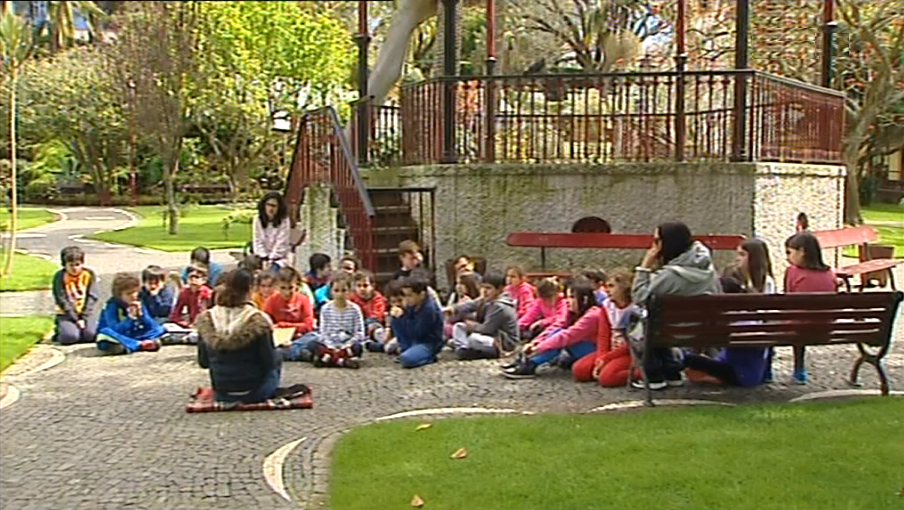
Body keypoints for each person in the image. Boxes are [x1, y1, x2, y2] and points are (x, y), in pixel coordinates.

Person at [632, 221, 721, 390]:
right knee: (660, 322)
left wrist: (645, 266)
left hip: (672, 332)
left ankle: (654, 376)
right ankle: (672, 372)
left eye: (657, 240)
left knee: (645, 321)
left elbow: (639, 296)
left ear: (667, 243)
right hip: (705, 331)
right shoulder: (709, 270)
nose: (654, 246)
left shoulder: (670, 276)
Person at [196, 269, 283, 403]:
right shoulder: (258, 320)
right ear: (251, 289)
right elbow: (269, 362)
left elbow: (203, 362)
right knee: (277, 355)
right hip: (255, 392)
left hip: (222, 393)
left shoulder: (207, 319)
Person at [680, 276, 770, 387]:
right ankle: (709, 377)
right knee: (696, 360)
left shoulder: (732, 320)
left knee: (688, 358)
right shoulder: (750, 315)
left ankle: (709, 378)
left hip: (740, 374)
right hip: (751, 374)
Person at [503, 280, 600, 379]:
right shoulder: (573, 313)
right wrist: (536, 342)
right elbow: (557, 326)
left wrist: (539, 348)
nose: (567, 301)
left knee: (562, 337)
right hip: (581, 347)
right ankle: (528, 360)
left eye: (572, 297)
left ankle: (532, 363)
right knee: (557, 332)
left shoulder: (592, 315)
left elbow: (568, 336)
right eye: (567, 297)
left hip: (595, 350)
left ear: (584, 299)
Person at [570, 268, 639, 386]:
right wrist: (601, 358)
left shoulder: (635, 309)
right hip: (611, 350)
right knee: (580, 369)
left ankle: (641, 374)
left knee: (607, 378)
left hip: (630, 353)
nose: (607, 290)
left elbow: (634, 342)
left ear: (624, 287)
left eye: (611, 286)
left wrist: (607, 359)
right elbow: (603, 336)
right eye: (606, 286)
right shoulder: (607, 307)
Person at [784, 231, 837, 384]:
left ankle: (769, 371)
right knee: (802, 319)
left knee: (791, 321)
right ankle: (799, 371)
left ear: (802, 251)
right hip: (825, 327)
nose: (787, 258)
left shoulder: (792, 272)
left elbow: (787, 301)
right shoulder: (830, 273)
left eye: (789, 252)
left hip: (797, 328)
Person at [283, 273, 365, 368]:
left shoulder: (355, 309)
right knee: (313, 344)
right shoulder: (326, 308)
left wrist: (346, 345)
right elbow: (323, 332)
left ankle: (330, 359)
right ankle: (340, 360)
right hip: (330, 344)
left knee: (357, 347)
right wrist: (331, 346)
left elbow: (359, 332)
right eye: (336, 290)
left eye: (344, 290)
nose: (340, 294)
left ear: (350, 291)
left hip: (347, 344)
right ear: (331, 291)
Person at [447, 272, 519, 360]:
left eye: (488, 288)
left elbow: (487, 329)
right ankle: (463, 348)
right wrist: (452, 309)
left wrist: (472, 326)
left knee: (473, 338)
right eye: (482, 287)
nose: (484, 291)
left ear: (499, 289)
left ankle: (466, 348)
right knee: (459, 326)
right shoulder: (485, 299)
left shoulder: (499, 306)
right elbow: (471, 305)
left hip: (502, 341)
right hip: (489, 336)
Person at [96, 273, 165, 354]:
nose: (133, 296)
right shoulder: (111, 305)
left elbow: (152, 326)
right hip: (117, 334)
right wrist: (130, 318)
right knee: (105, 333)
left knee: (159, 329)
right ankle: (138, 344)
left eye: (135, 292)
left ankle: (129, 345)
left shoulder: (138, 302)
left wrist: (142, 316)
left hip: (132, 334)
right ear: (119, 295)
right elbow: (116, 329)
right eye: (128, 293)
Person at [391, 274, 445, 368]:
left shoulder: (429, 310)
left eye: (410, 296)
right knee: (394, 318)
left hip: (428, 342)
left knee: (407, 359)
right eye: (405, 295)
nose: (406, 299)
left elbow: (418, 333)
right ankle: (406, 348)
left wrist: (403, 317)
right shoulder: (412, 305)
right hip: (412, 340)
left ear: (422, 295)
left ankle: (430, 357)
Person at [52, 246, 99, 345]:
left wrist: (83, 317)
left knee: (91, 335)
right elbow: (61, 299)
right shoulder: (60, 277)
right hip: (67, 313)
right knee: (70, 337)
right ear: (64, 265)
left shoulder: (89, 274)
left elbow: (92, 296)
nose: (75, 268)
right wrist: (76, 319)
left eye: (77, 264)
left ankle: (81, 330)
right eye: (71, 265)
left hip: (85, 312)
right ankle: (60, 330)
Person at [263, 266, 315, 338]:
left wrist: (283, 325)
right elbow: (266, 324)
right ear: (276, 286)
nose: (287, 292)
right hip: (278, 337)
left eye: (290, 288)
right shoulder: (271, 301)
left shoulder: (304, 300)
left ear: (296, 285)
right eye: (283, 288)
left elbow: (309, 325)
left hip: (300, 337)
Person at [350, 270, 389, 351]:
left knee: (376, 328)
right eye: (359, 286)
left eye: (365, 286)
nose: (362, 289)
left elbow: (377, 314)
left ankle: (382, 343)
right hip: (358, 325)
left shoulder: (377, 298)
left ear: (372, 286)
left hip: (373, 324)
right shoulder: (352, 299)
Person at [252, 191, 292, 270]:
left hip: (279, 258)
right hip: (261, 257)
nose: (271, 209)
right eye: (268, 205)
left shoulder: (284, 221)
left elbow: (281, 242)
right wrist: (264, 257)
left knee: (273, 270)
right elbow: (257, 240)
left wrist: (271, 259)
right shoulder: (258, 219)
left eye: (274, 206)